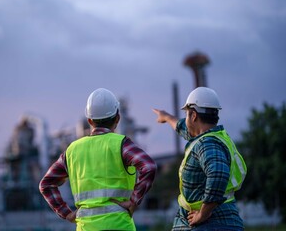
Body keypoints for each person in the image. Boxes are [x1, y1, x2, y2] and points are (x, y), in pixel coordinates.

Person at [39, 88, 157, 231]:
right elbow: (148, 166)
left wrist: (67, 214)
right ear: (118, 118)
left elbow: (46, 184)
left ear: (89, 120)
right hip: (119, 226)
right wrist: (134, 201)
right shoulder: (121, 144)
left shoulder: (72, 150)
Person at [153, 87, 247, 231]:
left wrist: (203, 214)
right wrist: (166, 117)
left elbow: (218, 174)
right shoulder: (210, 137)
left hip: (211, 223)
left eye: (186, 114)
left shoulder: (207, 144)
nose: (185, 118)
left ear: (194, 115)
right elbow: (183, 127)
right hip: (218, 220)